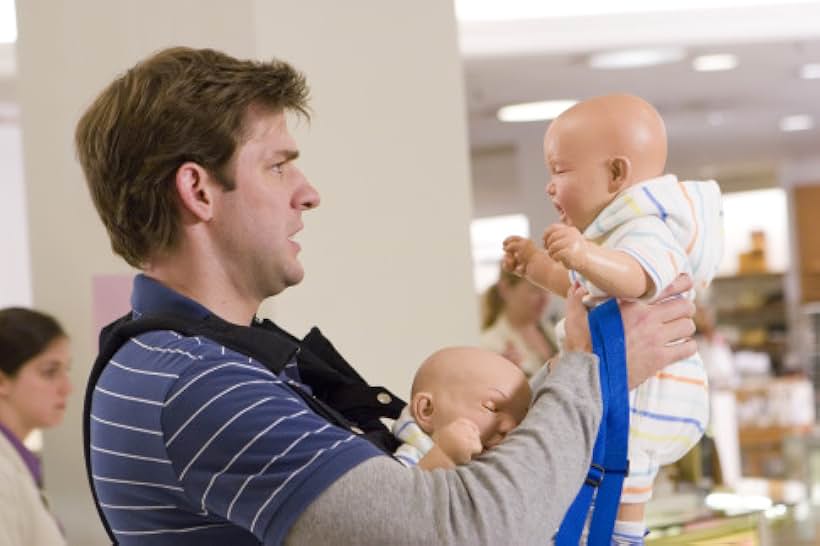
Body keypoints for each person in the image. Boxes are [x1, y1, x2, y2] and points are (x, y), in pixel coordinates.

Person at [76, 47, 698, 545]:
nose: (308, 192)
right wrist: (594, 367)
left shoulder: (206, 364)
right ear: (199, 191)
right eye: (277, 166)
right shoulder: (198, 386)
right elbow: (461, 531)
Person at [503, 93, 723, 544]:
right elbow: (576, 285)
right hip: (625, 382)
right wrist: (535, 265)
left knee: (623, 471)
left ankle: (622, 536)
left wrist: (585, 254)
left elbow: (641, 277)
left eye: (559, 171)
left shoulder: (646, 229)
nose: (549, 186)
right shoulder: (609, 239)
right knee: (600, 468)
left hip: (653, 392)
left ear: (616, 174)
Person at [391, 346, 531, 469]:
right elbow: (400, 495)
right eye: (491, 408)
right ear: (427, 410)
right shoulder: (413, 458)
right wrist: (444, 455)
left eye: (520, 422)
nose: (510, 428)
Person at [0, 307, 71, 546]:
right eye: (50, 372)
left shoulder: (16, 461)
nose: (67, 387)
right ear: (2, 381)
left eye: (65, 370)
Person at [480, 267, 558, 377]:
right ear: (505, 289)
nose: (545, 298)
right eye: (535, 289)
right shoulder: (490, 345)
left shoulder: (552, 331)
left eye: (548, 289)